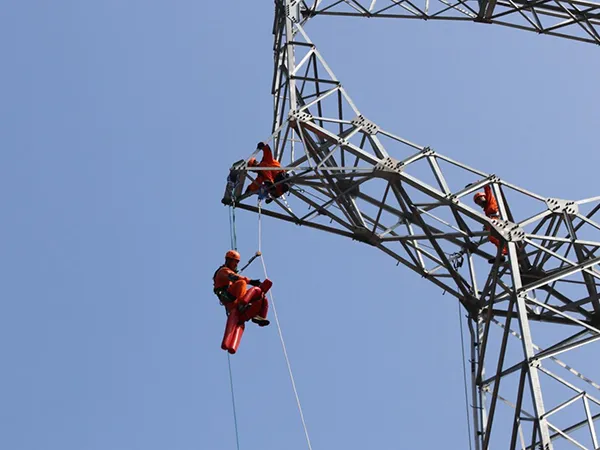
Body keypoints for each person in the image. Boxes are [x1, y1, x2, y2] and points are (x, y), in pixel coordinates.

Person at [213, 250, 270, 327]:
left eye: (237, 262)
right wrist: (251, 281)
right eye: (235, 261)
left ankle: (260, 317)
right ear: (229, 260)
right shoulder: (223, 271)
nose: (236, 264)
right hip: (229, 298)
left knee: (262, 296)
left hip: (234, 297)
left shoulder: (229, 271)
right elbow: (234, 277)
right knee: (242, 283)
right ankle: (241, 305)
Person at [474, 185, 508, 263]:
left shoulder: (490, 201)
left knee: (495, 235)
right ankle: (503, 252)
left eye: (479, 199)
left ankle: (503, 252)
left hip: (496, 220)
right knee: (492, 237)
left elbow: (487, 189)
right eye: (477, 202)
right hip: (492, 222)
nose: (479, 202)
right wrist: (486, 226)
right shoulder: (486, 210)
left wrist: (479, 183)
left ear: (484, 197)